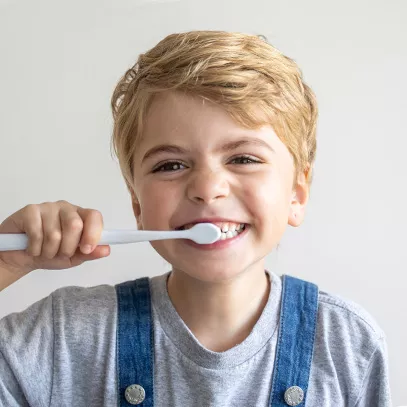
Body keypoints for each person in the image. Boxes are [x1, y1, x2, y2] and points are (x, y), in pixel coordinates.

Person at [0, 31, 392, 406]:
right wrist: (5, 264)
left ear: (296, 194)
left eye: (243, 159)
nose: (207, 188)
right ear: (137, 203)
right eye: (170, 165)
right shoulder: (62, 338)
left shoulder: (347, 343)